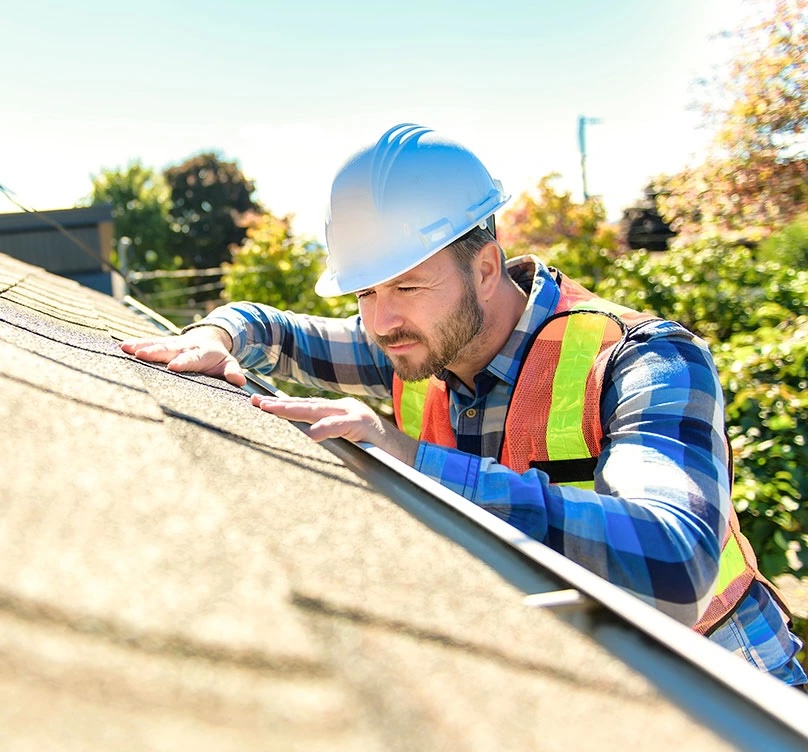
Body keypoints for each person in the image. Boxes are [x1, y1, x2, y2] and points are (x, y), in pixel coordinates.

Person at [121, 123, 807, 687]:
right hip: (598, 689)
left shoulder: (644, 360)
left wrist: (410, 461)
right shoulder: (412, 345)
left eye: (406, 288)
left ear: (486, 267)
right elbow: (272, 328)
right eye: (363, 294)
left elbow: (675, 564)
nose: (381, 321)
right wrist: (214, 335)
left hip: (737, 693)